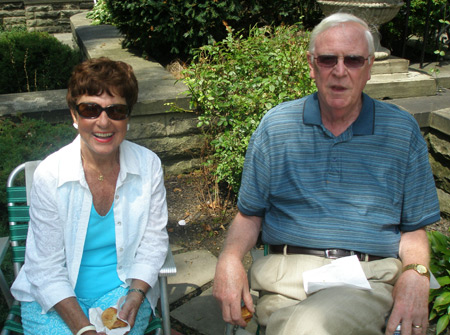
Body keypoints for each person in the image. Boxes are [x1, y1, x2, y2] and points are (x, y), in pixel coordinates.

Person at [213, 13, 440, 335]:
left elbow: (414, 228)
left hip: (365, 278)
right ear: (311, 64)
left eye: (354, 60)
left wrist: (416, 273)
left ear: (370, 66)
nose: (339, 70)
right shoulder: (277, 127)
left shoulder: (400, 131)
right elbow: (249, 215)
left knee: (307, 327)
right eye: (328, 59)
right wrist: (229, 258)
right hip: (282, 279)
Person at [11, 57, 169, 335]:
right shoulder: (51, 175)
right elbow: (45, 268)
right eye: (90, 109)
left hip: (122, 291)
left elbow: (153, 242)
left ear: (128, 116)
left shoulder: (148, 166)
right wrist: (83, 329)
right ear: (74, 115)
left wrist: (135, 295)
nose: (103, 122)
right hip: (54, 299)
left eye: (116, 110)